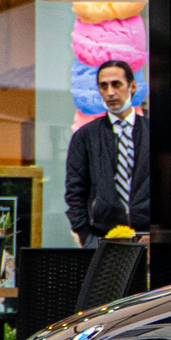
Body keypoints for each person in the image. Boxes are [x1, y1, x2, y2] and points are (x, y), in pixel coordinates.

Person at [65, 59, 149, 245]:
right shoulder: (85, 137)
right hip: (104, 238)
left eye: (116, 84)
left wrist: (159, 234)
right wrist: (87, 236)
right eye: (103, 86)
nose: (110, 92)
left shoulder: (153, 132)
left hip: (148, 237)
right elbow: (75, 191)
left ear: (132, 86)